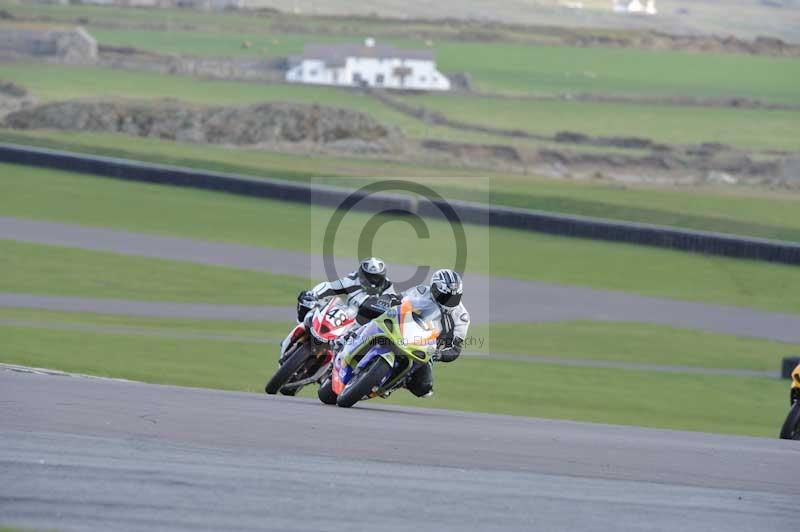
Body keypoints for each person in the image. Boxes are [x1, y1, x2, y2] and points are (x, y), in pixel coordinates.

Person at [403, 268, 470, 398]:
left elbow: (455, 350)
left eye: (454, 297)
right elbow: (398, 301)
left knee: (424, 389)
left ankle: (398, 382)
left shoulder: (462, 316)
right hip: (402, 332)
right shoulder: (420, 291)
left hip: (425, 350)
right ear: (434, 289)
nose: (449, 301)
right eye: (445, 297)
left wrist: (438, 354)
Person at [295, 257, 399, 324]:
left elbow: (396, 309)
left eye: (376, 278)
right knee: (307, 305)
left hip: (363, 329)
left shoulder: (388, 289)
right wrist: (314, 294)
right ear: (361, 275)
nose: (371, 281)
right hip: (340, 320)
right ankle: (299, 327)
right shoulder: (352, 281)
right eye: (368, 277)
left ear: (383, 278)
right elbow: (329, 287)